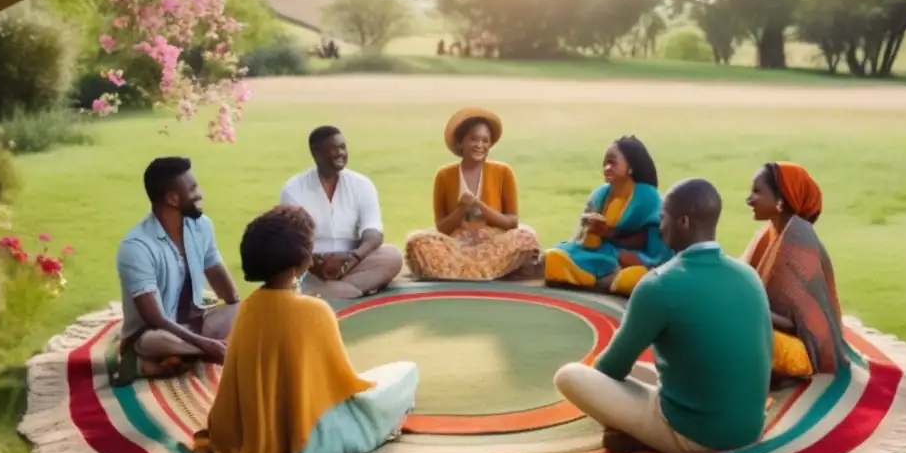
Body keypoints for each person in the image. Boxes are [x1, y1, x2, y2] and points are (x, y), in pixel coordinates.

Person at [553, 178, 773, 453]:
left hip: (695, 435)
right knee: (645, 374)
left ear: (682, 222)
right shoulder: (748, 275)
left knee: (570, 376)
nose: (659, 227)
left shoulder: (659, 284)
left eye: (663, 218)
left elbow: (611, 368)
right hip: (749, 428)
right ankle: (641, 427)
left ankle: (642, 434)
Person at [192, 205, 418, 453]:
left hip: (249, 429)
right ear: (302, 258)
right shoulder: (315, 311)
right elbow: (342, 383)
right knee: (405, 372)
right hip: (309, 437)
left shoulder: (250, 306)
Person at [115, 157, 240, 379]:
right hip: (154, 333)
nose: (199, 193)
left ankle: (168, 361)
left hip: (195, 324)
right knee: (157, 341)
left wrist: (238, 310)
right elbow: (156, 319)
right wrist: (207, 345)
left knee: (244, 311)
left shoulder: (202, 226)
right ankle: (142, 356)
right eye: (192, 189)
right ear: (172, 199)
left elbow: (224, 286)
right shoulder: (136, 247)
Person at [404, 108, 541, 281]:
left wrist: (480, 207)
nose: (480, 145)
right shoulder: (444, 176)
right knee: (416, 242)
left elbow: (512, 223)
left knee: (526, 236)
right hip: (456, 246)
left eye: (485, 141)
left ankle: (460, 273)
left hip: (494, 245)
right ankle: (483, 272)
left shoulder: (503, 172)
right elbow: (442, 228)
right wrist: (461, 209)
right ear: (460, 142)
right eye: (473, 139)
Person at [742, 162, 847, 381]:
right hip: (774, 330)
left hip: (806, 353)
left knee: (735, 331)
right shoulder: (771, 231)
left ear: (780, 200)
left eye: (757, 192)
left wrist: (752, 309)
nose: (749, 199)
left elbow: (802, 325)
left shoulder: (798, 242)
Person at [279, 125, 403, 299]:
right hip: (313, 265)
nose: (340, 154)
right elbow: (292, 243)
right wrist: (317, 265)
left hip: (353, 260)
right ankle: (345, 292)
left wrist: (352, 257)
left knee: (392, 256)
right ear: (316, 154)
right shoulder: (294, 189)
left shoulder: (361, 184)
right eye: (333, 149)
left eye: (342, 147)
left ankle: (331, 292)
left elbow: (373, 231)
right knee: (290, 263)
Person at [543, 136, 673, 296]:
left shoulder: (647, 197)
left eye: (612, 162)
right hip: (601, 250)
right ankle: (594, 276)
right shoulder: (600, 194)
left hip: (633, 256)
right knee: (554, 256)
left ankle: (609, 277)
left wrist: (609, 234)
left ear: (630, 167)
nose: (607, 168)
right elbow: (580, 238)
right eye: (604, 163)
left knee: (628, 272)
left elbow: (655, 243)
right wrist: (590, 231)